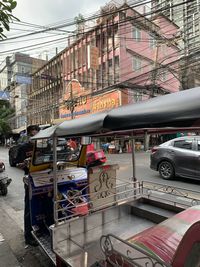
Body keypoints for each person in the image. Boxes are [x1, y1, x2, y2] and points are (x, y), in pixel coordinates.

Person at [16, 125, 40, 247]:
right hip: (30, 180)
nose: (34, 136)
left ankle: (41, 230)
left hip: (43, 179)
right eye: (32, 134)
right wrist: (24, 164)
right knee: (29, 208)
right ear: (29, 135)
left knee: (43, 206)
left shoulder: (43, 146)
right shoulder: (23, 148)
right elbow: (18, 164)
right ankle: (28, 236)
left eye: (36, 133)